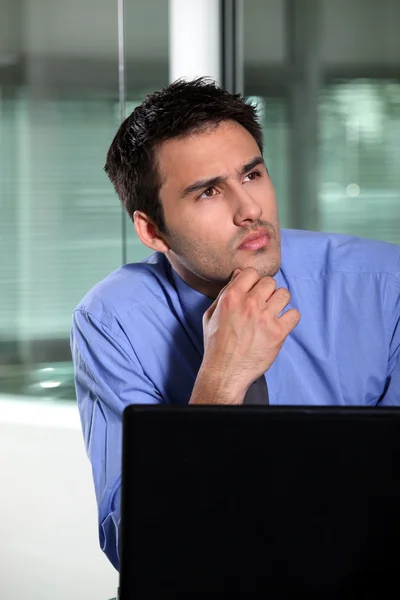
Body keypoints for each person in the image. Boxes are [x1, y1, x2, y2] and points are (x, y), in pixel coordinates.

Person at [70, 77, 400, 570]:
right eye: (208, 192)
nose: (250, 210)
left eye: (252, 175)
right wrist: (221, 380)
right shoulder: (111, 322)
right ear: (152, 230)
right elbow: (140, 550)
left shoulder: (384, 285)